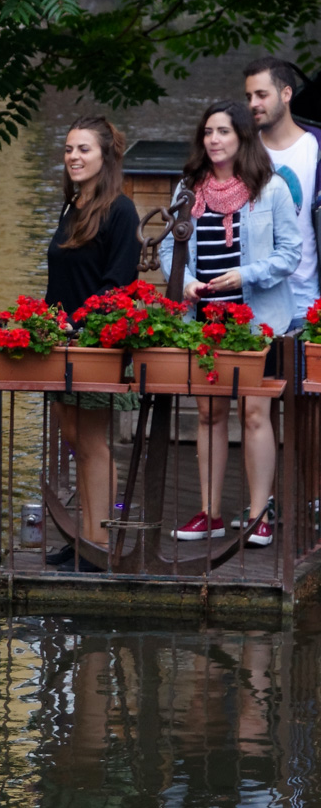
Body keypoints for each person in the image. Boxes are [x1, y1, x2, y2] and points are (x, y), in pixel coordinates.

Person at [159, 101, 304, 546]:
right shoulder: (187, 189)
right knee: (208, 412)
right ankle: (210, 512)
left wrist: (246, 274)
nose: (214, 140)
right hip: (202, 318)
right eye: (207, 132)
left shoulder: (271, 187)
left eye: (223, 131)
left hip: (255, 318)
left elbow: (289, 253)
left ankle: (260, 515)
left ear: (242, 136)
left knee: (256, 413)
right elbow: (168, 249)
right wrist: (182, 281)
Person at [43, 117, 141, 565]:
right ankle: (83, 537)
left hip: (94, 344)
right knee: (72, 436)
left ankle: (99, 544)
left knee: (93, 441)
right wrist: (43, 325)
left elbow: (117, 283)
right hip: (61, 343)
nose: (74, 157)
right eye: (68, 150)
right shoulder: (71, 205)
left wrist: (81, 326)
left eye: (83, 149)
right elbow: (60, 278)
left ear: (105, 156)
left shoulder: (119, 210)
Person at [245, 57, 320, 309]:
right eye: (249, 96)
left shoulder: (316, 148)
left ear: (286, 93)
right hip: (252, 300)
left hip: (307, 299)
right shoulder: (241, 153)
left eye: (261, 95)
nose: (253, 103)